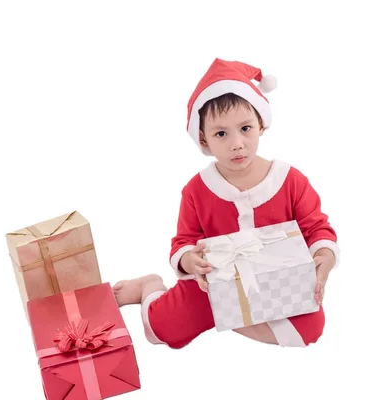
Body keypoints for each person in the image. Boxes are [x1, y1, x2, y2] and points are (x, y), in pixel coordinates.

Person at [114, 58, 340, 349]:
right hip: (211, 285)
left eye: (245, 128)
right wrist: (188, 260)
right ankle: (149, 287)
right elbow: (184, 240)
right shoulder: (197, 189)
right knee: (163, 329)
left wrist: (324, 256)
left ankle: (231, 314)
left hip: (275, 282)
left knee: (310, 329)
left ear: (261, 124)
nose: (237, 143)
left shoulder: (290, 180)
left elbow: (317, 227)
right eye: (221, 133)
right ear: (203, 139)